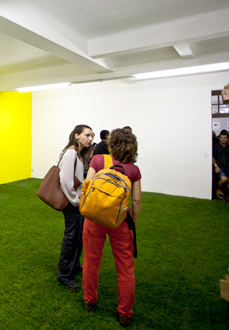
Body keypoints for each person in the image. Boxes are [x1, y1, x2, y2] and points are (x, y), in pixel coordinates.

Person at [82, 127, 141, 328]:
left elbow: (87, 185)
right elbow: (136, 201)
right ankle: (124, 312)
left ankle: (89, 300)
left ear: (111, 144)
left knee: (91, 261)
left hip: (94, 219)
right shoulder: (133, 170)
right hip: (120, 222)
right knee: (125, 269)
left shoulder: (98, 160)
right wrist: (133, 224)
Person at [57, 125, 94, 291]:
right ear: (77, 135)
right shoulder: (71, 153)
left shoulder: (77, 154)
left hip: (77, 203)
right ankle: (65, 275)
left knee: (78, 237)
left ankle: (74, 265)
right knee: (72, 238)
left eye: (92, 136)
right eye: (87, 135)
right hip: (73, 204)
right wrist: (76, 201)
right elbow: (65, 181)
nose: (90, 139)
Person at [213, 129, 229, 199]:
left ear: (227, 139)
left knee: (226, 181)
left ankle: (221, 193)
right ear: (219, 138)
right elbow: (212, 157)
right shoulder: (215, 146)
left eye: (225, 138)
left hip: (227, 166)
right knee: (224, 179)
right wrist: (216, 166)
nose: (223, 139)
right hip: (219, 166)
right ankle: (218, 190)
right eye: (221, 137)